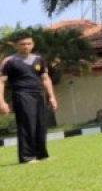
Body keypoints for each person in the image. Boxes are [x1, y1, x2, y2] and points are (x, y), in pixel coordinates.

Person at [0, 31, 59, 164]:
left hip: (38, 94)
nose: (26, 46)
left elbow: (45, 79)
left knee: (40, 124)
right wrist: (2, 102)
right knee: (27, 124)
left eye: (28, 43)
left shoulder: (39, 59)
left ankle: (41, 155)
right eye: (22, 44)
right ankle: (27, 157)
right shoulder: (9, 61)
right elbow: (1, 82)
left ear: (33, 44)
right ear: (16, 46)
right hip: (22, 95)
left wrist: (52, 97)